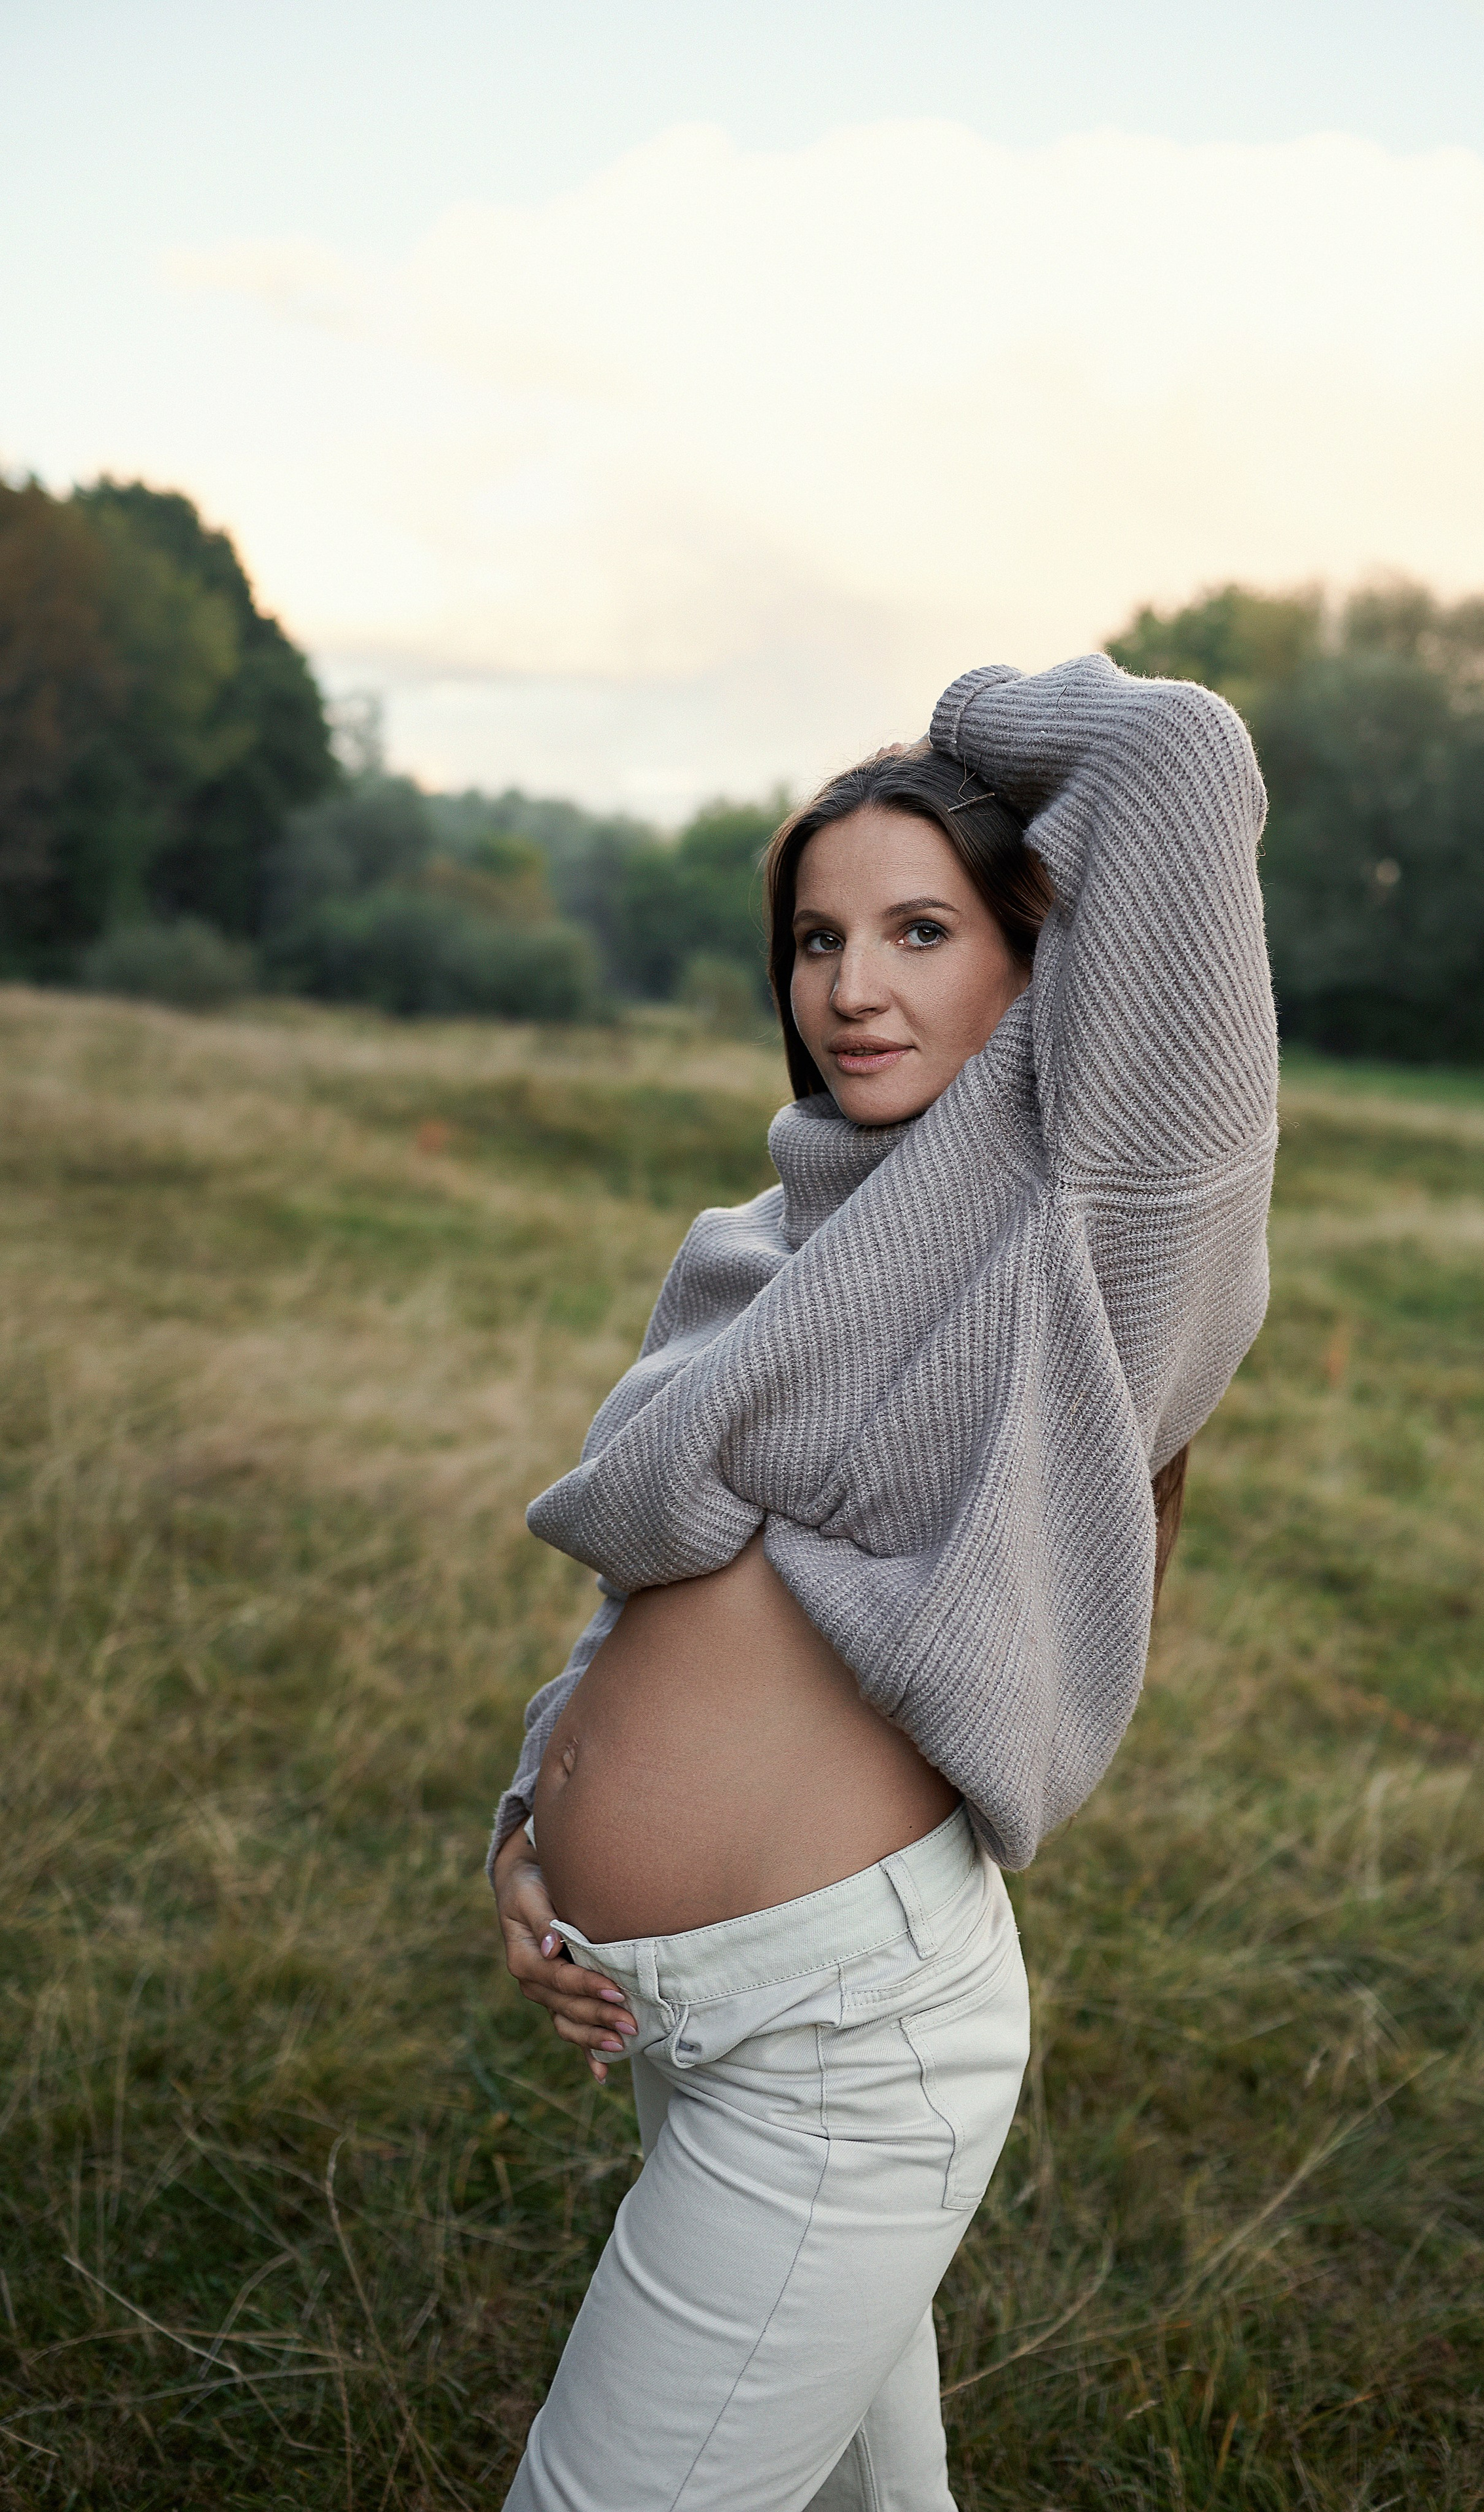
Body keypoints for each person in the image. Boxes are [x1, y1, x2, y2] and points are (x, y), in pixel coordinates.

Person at [490, 653, 1278, 2511]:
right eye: (817, 938)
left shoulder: (1083, 1222)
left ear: (1040, 961)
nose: (852, 986)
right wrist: (537, 1817)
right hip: (689, 2006)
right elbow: (656, 1599)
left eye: (923, 930)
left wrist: (944, 734)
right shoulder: (763, 1240)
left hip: (846, 2043)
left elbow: (1177, 752)